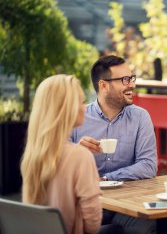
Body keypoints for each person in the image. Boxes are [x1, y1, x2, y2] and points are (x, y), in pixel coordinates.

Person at [70, 55, 157, 233]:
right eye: (124, 80)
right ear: (103, 85)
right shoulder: (77, 117)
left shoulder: (140, 117)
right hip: (87, 201)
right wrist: (76, 152)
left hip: (127, 202)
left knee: (144, 223)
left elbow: (148, 165)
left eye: (131, 78)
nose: (132, 84)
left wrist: (107, 179)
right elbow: (56, 163)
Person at [20, 75, 102, 234]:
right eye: (81, 101)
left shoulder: (33, 154)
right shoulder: (81, 156)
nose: (85, 107)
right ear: (67, 107)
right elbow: (93, 224)